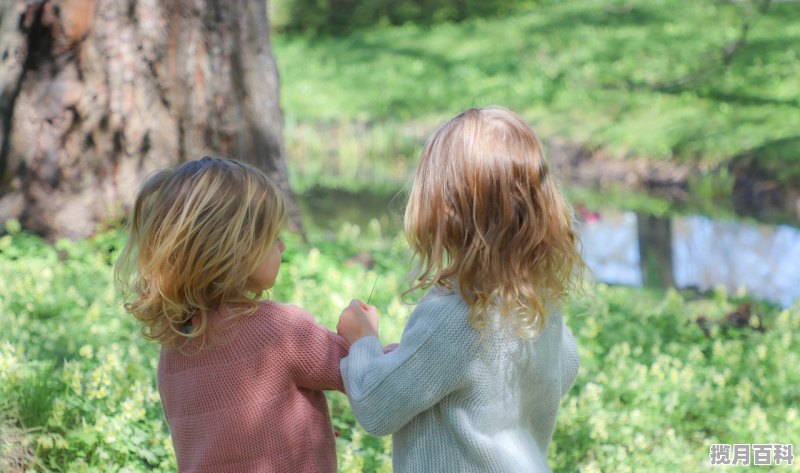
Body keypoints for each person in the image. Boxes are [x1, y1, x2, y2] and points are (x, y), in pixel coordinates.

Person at [337, 106, 586, 472]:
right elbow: (566, 365)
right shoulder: (537, 303)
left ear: (444, 209)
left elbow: (377, 408)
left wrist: (363, 342)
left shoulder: (454, 315)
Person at [115, 156, 349, 473]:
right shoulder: (281, 330)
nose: (281, 247)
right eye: (272, 238)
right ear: (238, 249)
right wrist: (365, 338)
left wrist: (302, 437)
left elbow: (222, 438)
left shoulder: (177, 345)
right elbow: (363, 373)